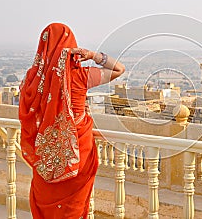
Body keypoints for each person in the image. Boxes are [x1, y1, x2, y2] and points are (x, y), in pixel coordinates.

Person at [19, 23, 125, 218]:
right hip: (78, 149)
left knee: (47, 205)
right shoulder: (81, 76)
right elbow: (119, 69)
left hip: (46, 154)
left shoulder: (32, 79)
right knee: (72, 209)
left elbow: (29, 110)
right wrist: (93, 55)